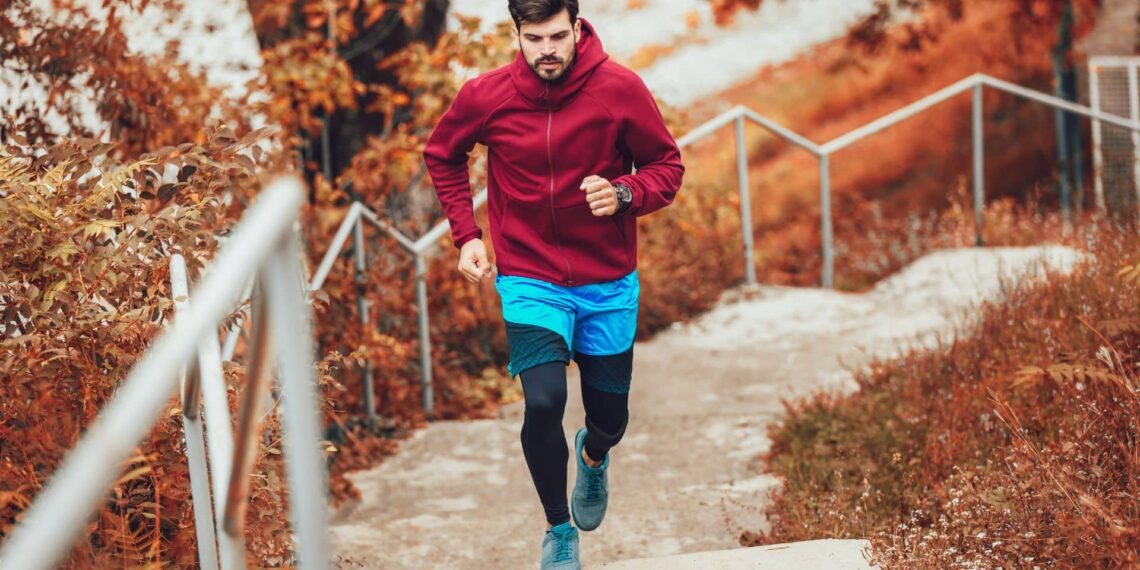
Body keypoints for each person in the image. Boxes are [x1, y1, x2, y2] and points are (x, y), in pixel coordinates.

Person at [423, 0, 683, 567]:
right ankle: (559, 529)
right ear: (517, 33)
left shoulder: (618, 89)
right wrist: (467, 235)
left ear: (577, 28)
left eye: (558, 37)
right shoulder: (486, 96)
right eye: (535, 38)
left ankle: (593, 456)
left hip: (607, 280)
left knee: (610, 420)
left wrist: (624, 193)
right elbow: (443, 154)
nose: (547, 50)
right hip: (530, 276)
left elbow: (667, 167)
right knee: (543, 401)